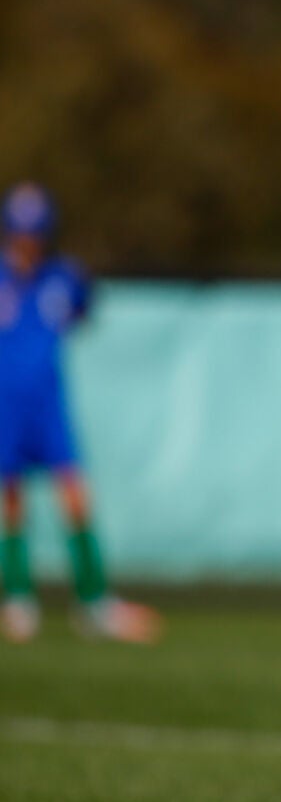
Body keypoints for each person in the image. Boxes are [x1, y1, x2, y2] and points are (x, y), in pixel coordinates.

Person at [0, 182, 160, 644]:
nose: (27, 242)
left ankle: (92, 601)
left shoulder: (63, 277)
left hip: (48, 402)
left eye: (34, 233)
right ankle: (19, 600)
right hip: (6, 404)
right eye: (19, 233)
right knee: (10, 499)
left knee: (75, 494)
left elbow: (82, 313)